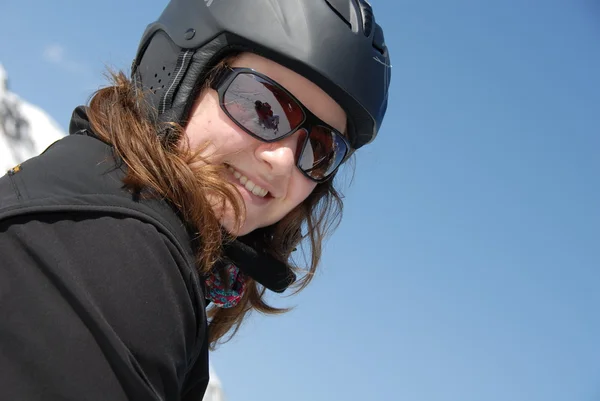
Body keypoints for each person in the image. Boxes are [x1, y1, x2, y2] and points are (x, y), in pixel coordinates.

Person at [0, 0, 391, 399]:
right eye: (263, 106)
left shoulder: (99, 208)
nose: (284, 160)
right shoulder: (115, 251)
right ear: (176, 74)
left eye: (321, 148)